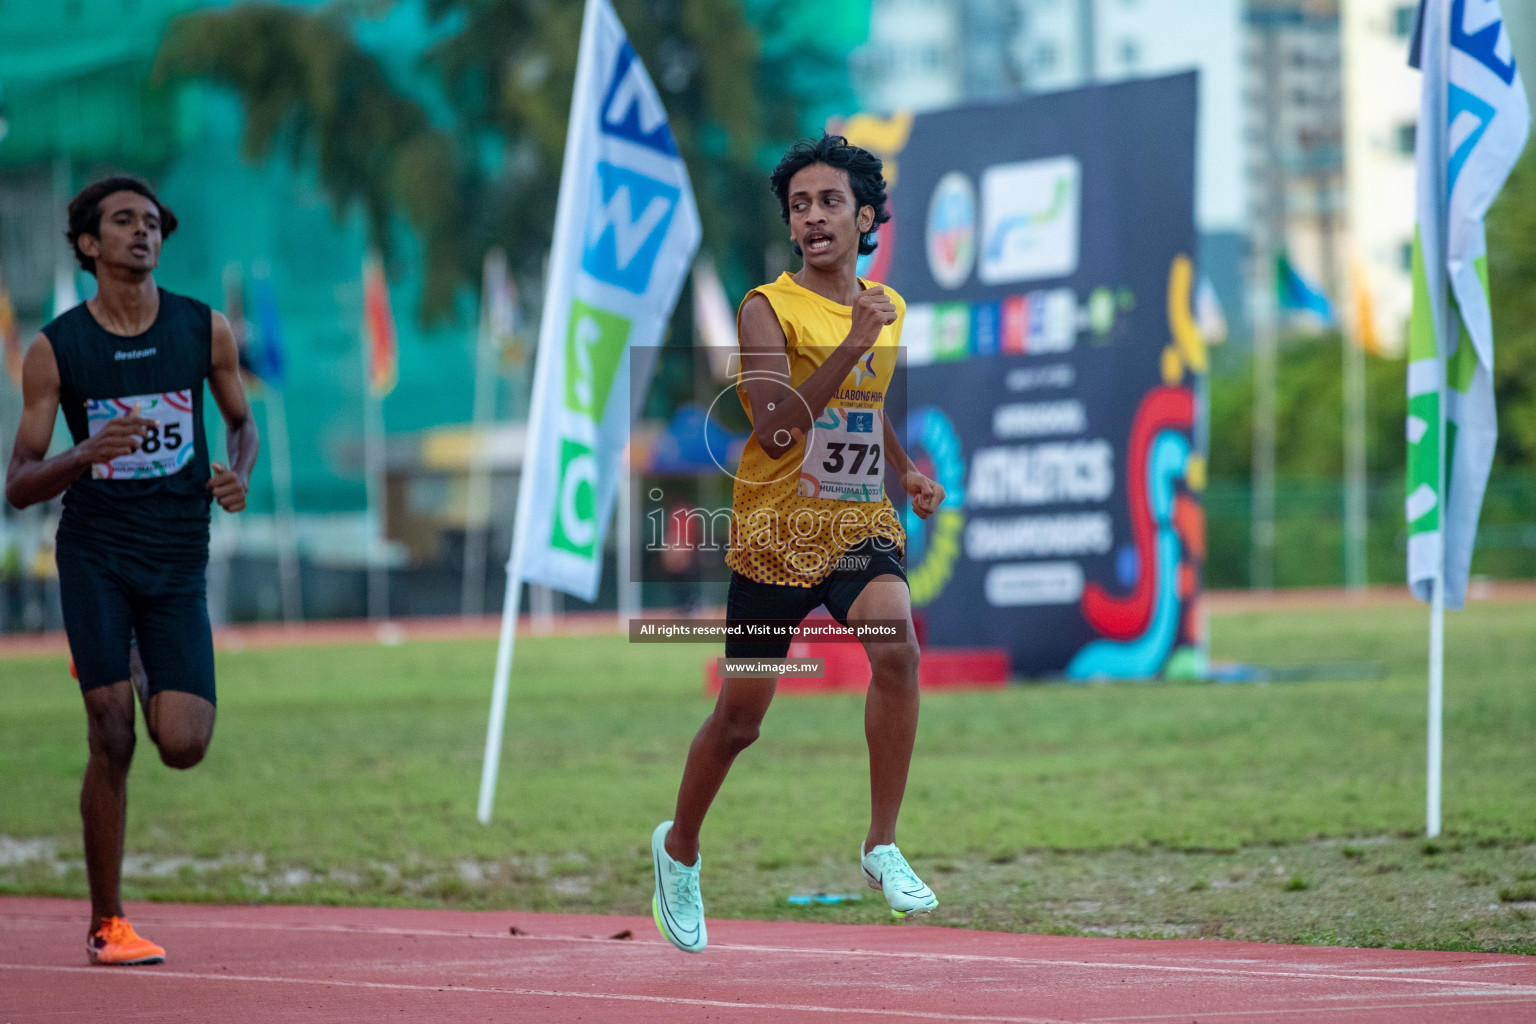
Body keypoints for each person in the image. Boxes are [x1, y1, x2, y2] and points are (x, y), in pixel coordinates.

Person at [651, 135, 946, 953]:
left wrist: (904, 469)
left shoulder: (885, 308)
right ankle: (678, 849)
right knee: (741, 721)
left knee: (899, 653)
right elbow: (779, 430)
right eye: (799, 207)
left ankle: (881, 845)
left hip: (855, 525)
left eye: (828, 203)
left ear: (866, 216)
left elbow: (865, 400)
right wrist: (851, 340)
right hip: (775, 536)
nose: (813, 217)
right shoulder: (764, 308)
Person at [4, 176, 258, 965]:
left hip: (179, 556)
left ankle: (147, 662)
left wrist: (238, 473)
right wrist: (84, 453)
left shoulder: (201, 329)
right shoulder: (56, 349)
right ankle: (107, 923)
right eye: (124, 222)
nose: (142, 234)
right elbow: (17, 483)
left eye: (152, 223)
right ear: (89, 243)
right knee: (111, 734)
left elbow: (242, 424)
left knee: (181, 741)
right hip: (97, 556)